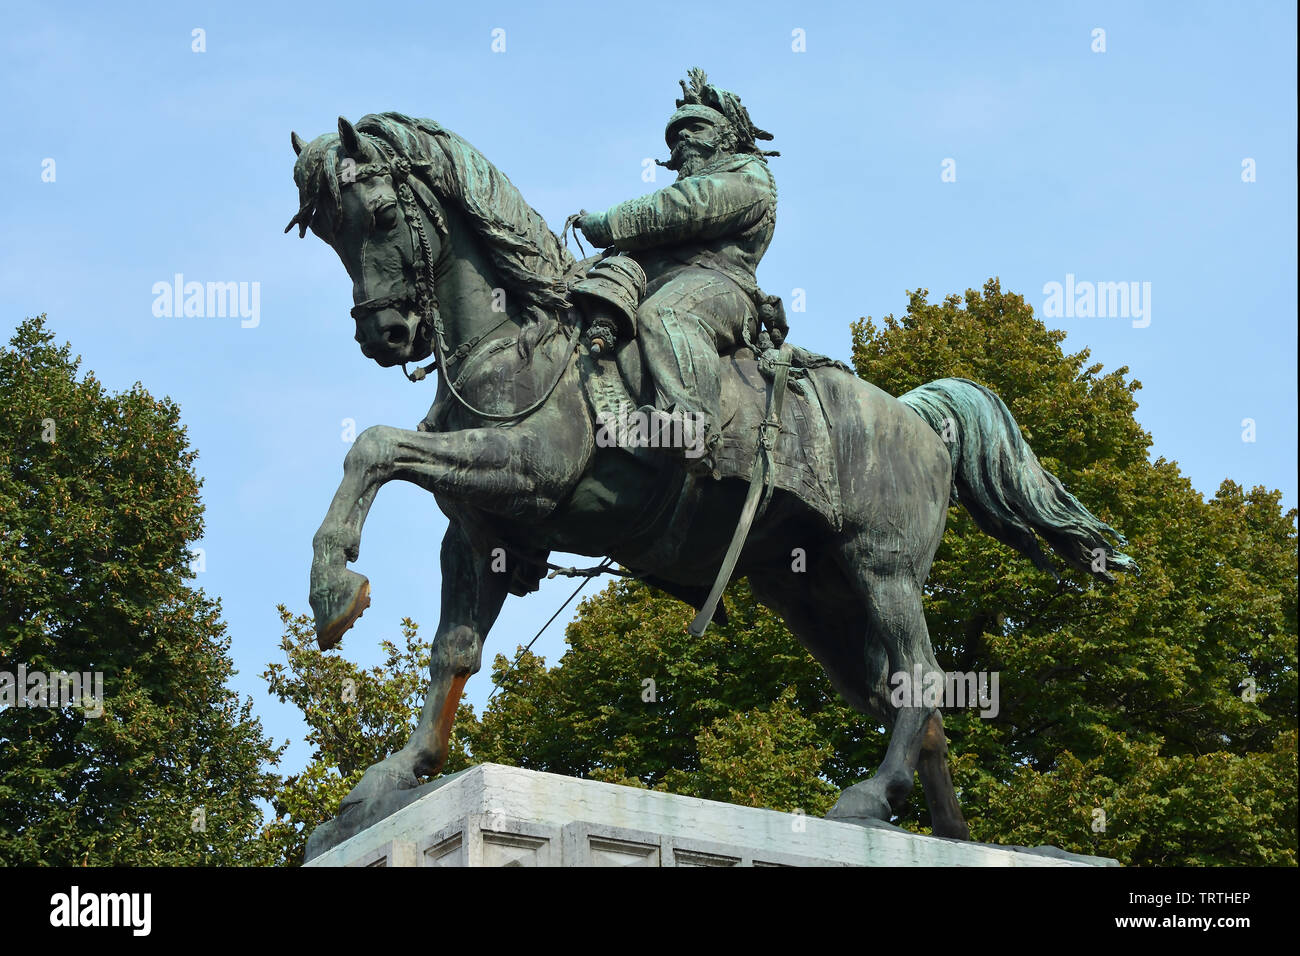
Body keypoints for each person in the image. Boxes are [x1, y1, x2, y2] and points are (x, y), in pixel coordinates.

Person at [573, 69, 781, 476]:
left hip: (720, 288)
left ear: (726, 136)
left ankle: (691, 425)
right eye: (675, 135)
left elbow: (684, 208)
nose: (683, 138)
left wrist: (608, 223)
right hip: (650, 282)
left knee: (668, 314)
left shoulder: (749, 177)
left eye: (696, 128)